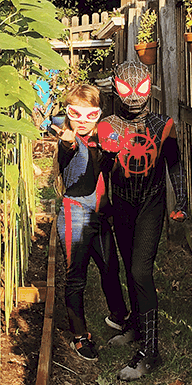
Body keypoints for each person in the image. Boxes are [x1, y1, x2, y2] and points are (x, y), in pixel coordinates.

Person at [97, 61, 188, 380]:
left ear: (150, 86)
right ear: (115, 87)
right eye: (126, 88)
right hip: (121, 205)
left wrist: (183, 200)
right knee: (128, 265)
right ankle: (136, 325)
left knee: (140, 271)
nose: (134, 96)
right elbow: (99, 171)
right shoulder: (107, 125)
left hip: (151, 203)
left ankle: (151, 351)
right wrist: (106, 155)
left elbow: (174, 165)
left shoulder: (164, 125)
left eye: (140, 88)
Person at [52, 83, 129, 361]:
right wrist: (66, 135)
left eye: (90, 115)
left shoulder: (100, 138)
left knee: (110, 267)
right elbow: (67, 142)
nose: (82, 121)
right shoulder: (69, 141)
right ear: (68, 113)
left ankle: (119, 317)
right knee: (76, 277)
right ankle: (79, 337)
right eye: (76, 113)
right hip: (75, 216)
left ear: (98, 114)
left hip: (99, 214)